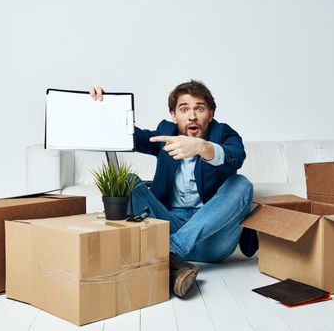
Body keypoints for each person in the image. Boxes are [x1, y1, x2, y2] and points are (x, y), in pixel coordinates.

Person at [89, 80, 256, 298]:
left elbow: (237, 157)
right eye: (184, 109)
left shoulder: (224, 134)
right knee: (128, 180)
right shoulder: (165, 132)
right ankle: (174, 263)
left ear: (211, 113)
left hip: (213, 238)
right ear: (174, 115)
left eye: (200, 108)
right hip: (171, 225)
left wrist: (202, 147)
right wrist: (107, 106)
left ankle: (169, 251)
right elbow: (131, 135)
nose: (192, 116)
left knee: (242, 184)